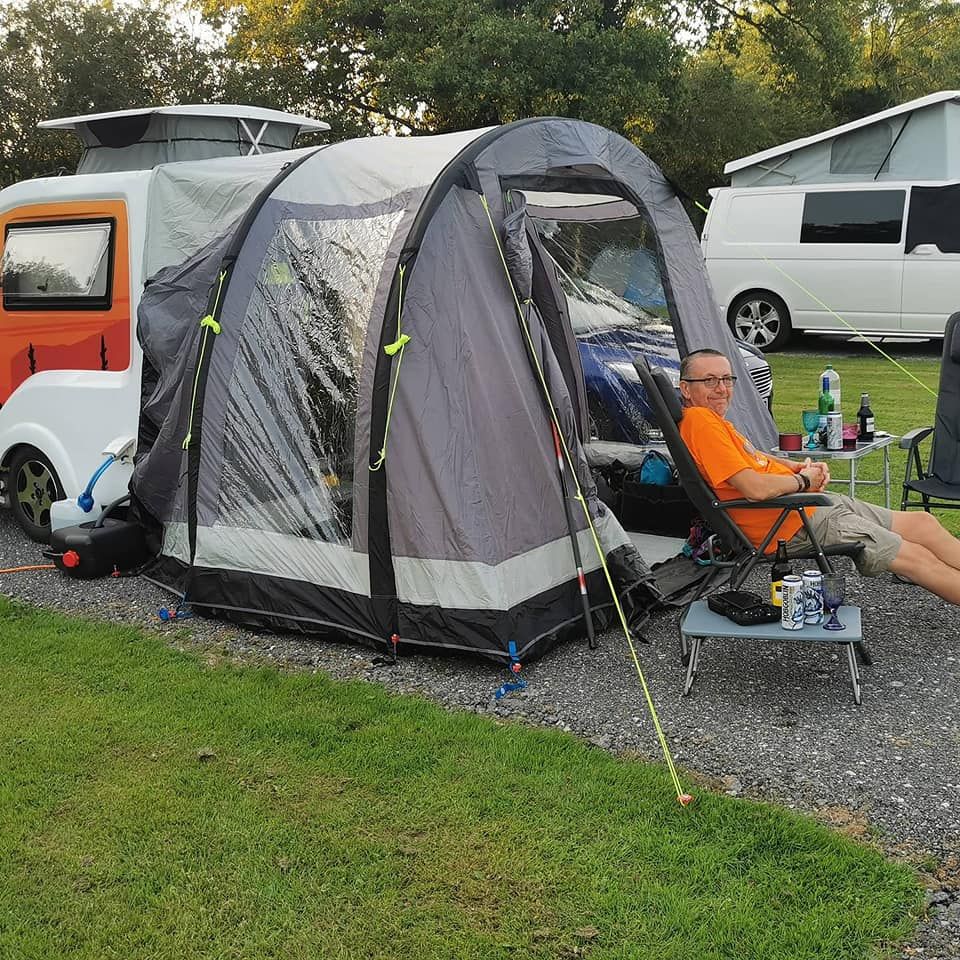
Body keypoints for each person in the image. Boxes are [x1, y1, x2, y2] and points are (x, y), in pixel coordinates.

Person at [678, 347, 960, 604]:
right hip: (792, 522)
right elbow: (754, 488)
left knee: (923, 523)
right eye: (710, 380)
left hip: (809, 506)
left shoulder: (714, 422)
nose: (722, 388)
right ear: (686, 389)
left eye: (727, 379)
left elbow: (756, 459)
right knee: (916, 557)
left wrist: (798, 468)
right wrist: (804, 481)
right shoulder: (701, 422)